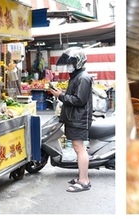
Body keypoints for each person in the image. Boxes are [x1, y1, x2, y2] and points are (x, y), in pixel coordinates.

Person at [49, 47, 93, 192]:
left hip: (78, 119)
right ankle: (82, 175)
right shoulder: (77, 77)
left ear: (78, 62)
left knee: (80, 148)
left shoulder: (83, 78)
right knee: (77, 148)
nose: (69, 66)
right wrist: (61, 94)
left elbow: (79, 100)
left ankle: (84, 181)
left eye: (71, 63)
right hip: (74, 118)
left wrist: (60, 96)